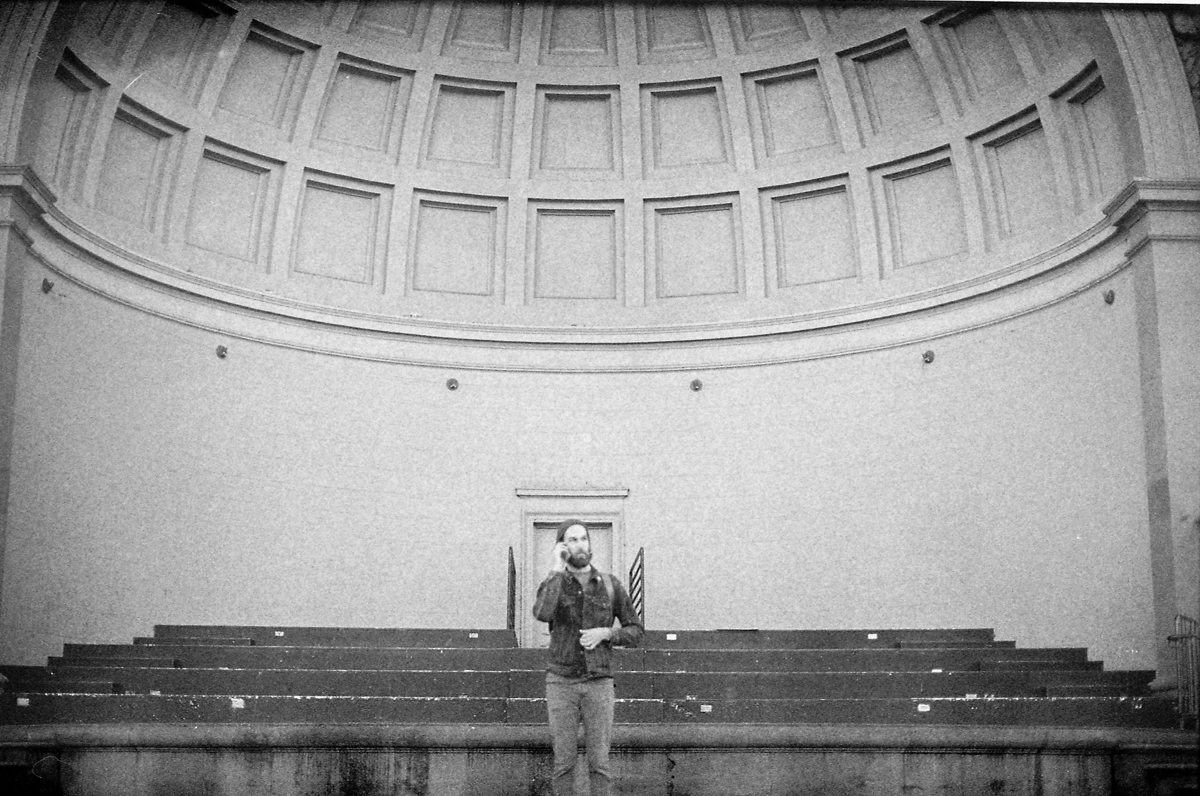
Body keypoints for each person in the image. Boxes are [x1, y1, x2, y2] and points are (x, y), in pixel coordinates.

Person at [532, 519, 644, 796]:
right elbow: (542, 614)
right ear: (562, 546)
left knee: (600, 763)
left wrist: (606, 632)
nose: (580, 545)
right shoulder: (554, 582)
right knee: (563, 763)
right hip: (561, 682)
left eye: (583, 538)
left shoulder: (610, 584)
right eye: (572, 540)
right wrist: (556, 568)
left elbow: (636, 631)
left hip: (599, 682)